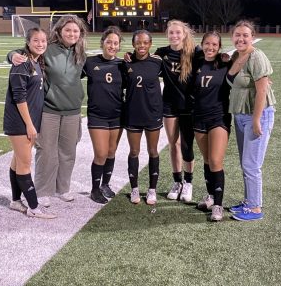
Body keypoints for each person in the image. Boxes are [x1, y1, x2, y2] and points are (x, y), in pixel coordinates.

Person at [8, 15, 87, 207]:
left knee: (68, 153)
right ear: (59, 31)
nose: (71, 33)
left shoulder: (81, 52)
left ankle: (63, 188)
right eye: (68, 30)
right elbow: (22, 52)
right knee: (46, 152)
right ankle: (43, 190)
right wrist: (11, 55)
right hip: (49, 110)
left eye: (75, 31)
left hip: (73, 110)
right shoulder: (48, 49)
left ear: (80, 34)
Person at [4, 27, 56, 219]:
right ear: (28, 42)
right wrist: (29, 124)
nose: (40, 44)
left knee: (17, 161)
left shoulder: (36, 61)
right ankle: (34, 207)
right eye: (36, 41)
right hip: (20, 122)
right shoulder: (22, 63)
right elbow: (19, 97)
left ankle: (16, 201)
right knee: (25, 164)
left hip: (28, 121)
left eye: (43, 41)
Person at [227, 20, 276, 221]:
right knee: (245, 162)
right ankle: (248, 201)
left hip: (258, 114)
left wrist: (257, 120)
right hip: (240, 114)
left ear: (252, 37)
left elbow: (262, 91)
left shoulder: (257, 56)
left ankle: (255, 208)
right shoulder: (236, 56)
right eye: (237, 35)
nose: (241, 38)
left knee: (251, 164)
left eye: (245, 35)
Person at [155, 19, 200, 203]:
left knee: (187, 145)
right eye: (171, 32)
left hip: (189, 105)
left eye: (177, 32)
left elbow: (213, 62)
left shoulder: (195, 52)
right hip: (169, 104)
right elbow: (145, 64)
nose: (174, 35)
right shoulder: (162, 53)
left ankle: (188, 182)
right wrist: (129, 57)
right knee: (174, 144)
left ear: (184, 34)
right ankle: (177, 182)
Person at [82, 26, 124, 204]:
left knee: (111, 151)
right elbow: (69, 77)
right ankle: (94, 189)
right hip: (97, 115)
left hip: (117, 115)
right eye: (109, 42)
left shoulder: (123, 65)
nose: (112, 46)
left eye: (115, 43)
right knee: (100, 153)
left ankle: (106, 184)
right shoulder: (90, 62)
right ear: (102, 43)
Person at [192, 31, 231, 221]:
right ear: (202, 44)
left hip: (218, 117)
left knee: (216, 160)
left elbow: (243, 69)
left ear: (219, 46)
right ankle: (210, 197)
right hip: (199, 117)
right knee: (207, 160)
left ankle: (218, 205)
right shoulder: (196, 63)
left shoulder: (225, 63)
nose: (211, 47)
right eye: (207, 44)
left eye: (215, 45)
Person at [123, 30, 163, 205]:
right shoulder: (126, 63)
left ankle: (152, 189)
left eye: (145, 42)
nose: (142, 46)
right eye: (138, 42)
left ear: (150, 44)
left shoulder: (157, 63)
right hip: (133, 113)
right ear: (133, 44)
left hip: (152, 113)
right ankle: (135, 189)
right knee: (134, 151)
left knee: (153, 151)